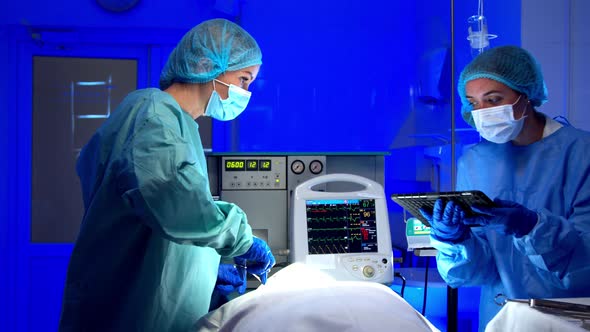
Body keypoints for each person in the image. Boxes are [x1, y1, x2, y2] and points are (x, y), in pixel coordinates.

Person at [58, 18, 275, 332]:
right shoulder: (152, 115)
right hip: (125, 314)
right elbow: (179, 209)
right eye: (244, 79)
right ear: (207, 64)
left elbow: (156, 220)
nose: (245, 92)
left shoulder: (177, 124)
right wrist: (241, 240)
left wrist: (206, 270)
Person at [419, 45, 590, 330]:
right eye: (473, 103)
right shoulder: (476, 161)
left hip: (569, 319)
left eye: (493, 99)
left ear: (527, 96)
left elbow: (585, 265)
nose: (482, 112)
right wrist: (456, 240)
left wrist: (531, 227)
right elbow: (482, 272)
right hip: (501, 318)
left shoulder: (580, 153)